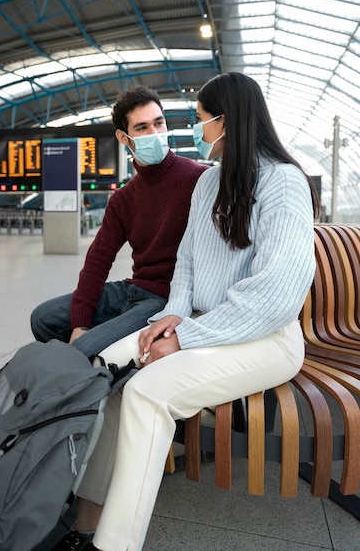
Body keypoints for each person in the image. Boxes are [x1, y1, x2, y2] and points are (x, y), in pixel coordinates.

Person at [54, 71, 320, 551]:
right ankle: (85, 519)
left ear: (227, 120)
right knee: (119, 384)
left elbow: (275, 295)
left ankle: (113, 543)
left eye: (200, 120)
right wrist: (171, 316)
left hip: (268, 338)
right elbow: (187, 267)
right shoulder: (208, 184)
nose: (194, 130)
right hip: (206, 327)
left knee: (147, 394)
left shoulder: (284, 183)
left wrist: (188, 338)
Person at [31, 86, 207, 357]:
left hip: (165, 298)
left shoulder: (199, 179)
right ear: (124, 137)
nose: (155, 134)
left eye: (158, 123)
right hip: (133, 289)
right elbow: (98, 260)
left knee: (84, 349)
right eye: (142, 128)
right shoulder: (123, 198)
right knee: (43, 318)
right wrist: (80, 322)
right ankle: (92, 373)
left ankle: (95, 371)